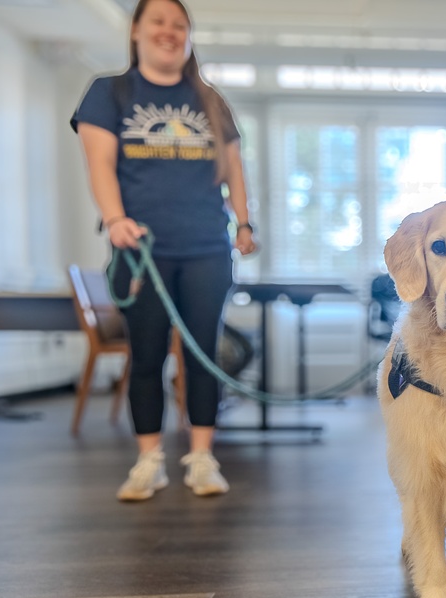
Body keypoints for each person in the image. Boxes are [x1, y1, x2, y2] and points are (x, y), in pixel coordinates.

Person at [72, 0, 256, 502]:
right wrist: (114, 221)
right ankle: (148, 460)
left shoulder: (210, 99)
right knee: (147, 356)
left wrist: (243, 223)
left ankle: (201, 458)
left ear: (190, 37)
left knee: (204, 357)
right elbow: (100, 165)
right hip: (142, 250)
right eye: (159, 22)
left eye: (180, 25)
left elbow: (234, 168)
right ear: (136, 31)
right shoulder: (109, 92)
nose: (169, 32)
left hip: (206, 248)